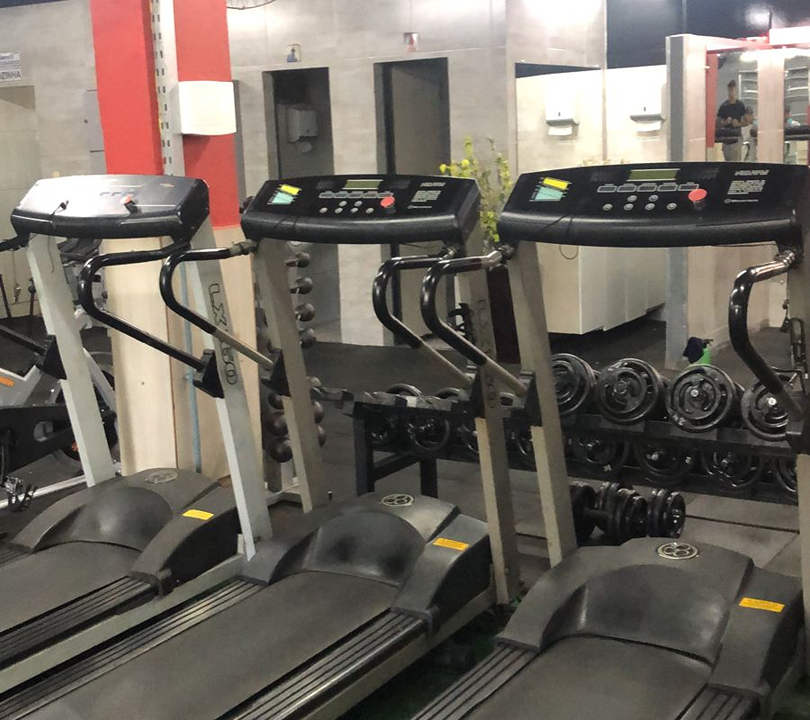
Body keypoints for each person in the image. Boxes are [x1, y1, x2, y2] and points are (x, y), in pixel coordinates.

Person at [717, 80, 748, 161]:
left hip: (736, 138)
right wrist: (725, 123)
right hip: (726, 138)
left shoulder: (740, 105)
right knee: (727, 160)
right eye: (730, 90)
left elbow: (746, 121)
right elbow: (717, 124)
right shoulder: (724, 106)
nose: (731, 93)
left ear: (735, 91)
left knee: (736, 161)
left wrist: (738, 124)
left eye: (733, 90)